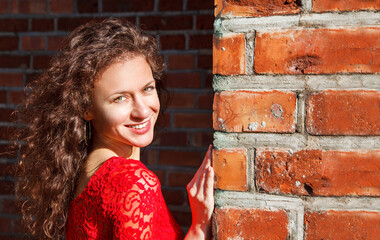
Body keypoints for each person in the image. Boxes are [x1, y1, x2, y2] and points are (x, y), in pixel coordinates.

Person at [15, 18, 214, 240]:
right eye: (120, 98)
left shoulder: (84, 168)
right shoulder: (133, 182)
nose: (142, 110)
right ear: (85, 108)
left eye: (147, 89)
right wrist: (200, 225)